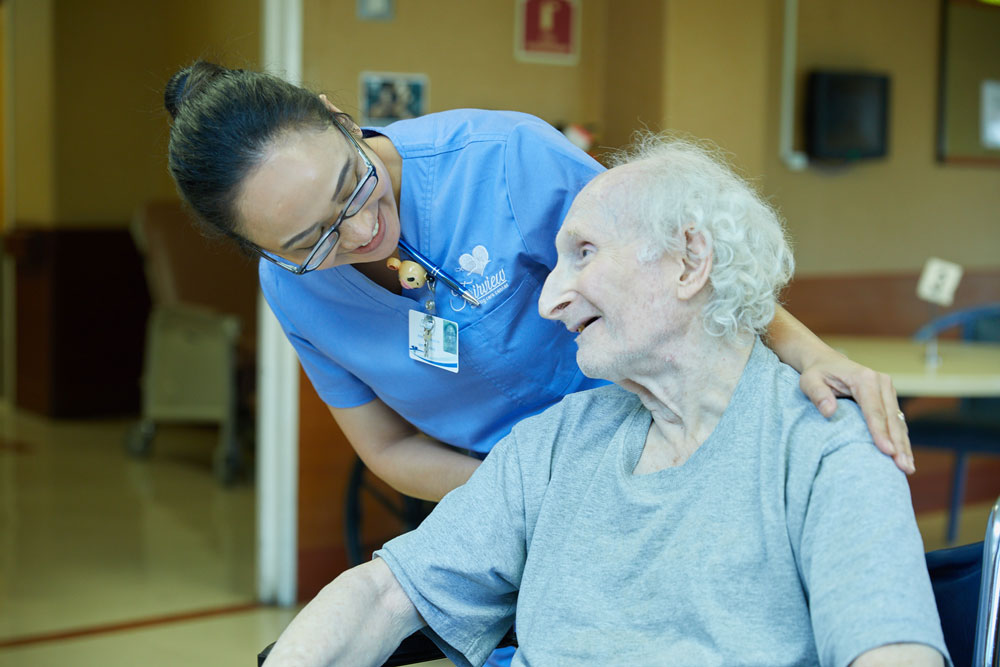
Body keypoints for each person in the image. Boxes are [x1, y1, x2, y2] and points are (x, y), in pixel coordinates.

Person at [261, 136, 949, 667]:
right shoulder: (555, 444)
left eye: (583, 252)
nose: (548, 297)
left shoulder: (825, 443)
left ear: (689, 259)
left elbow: (891, 653)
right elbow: (384, 592)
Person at [163, 62, 914, 512]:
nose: (361, 235)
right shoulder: (294, 290)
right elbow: (386, 445)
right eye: (312, 242)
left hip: (661, 450)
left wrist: (809, 352)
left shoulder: (500, 156)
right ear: (257, 251)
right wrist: (525, 493)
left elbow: (683, 268)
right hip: (500, 493)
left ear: (341, 118)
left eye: (351, 188)